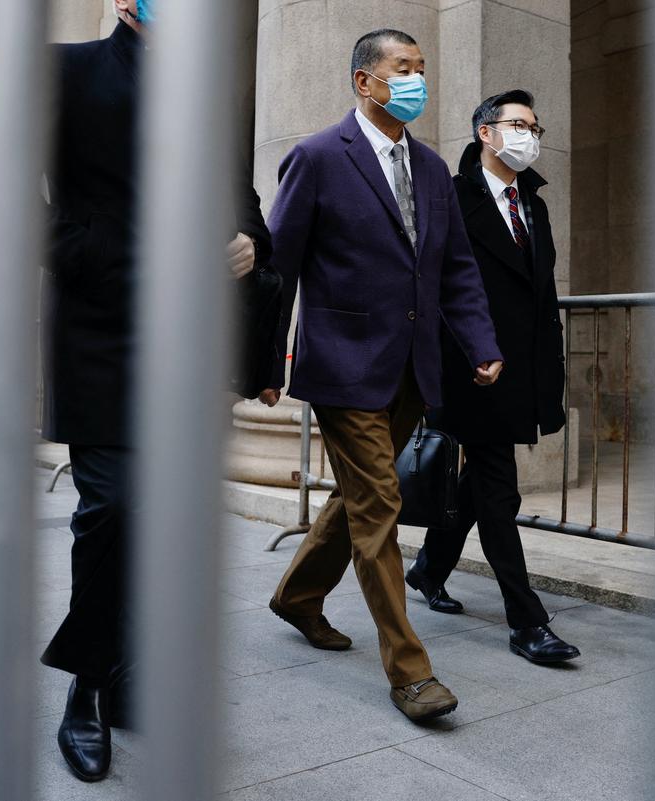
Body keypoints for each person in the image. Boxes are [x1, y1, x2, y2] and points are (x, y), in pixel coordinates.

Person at [39, 0, 274, 783]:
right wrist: (90, 252)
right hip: (101, 332)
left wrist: (249, 241)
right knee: (110, 504)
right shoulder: (67, 70)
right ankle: (86, 684)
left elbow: (239, 202)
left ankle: (125, 670)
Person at [260, 28, 504, 723]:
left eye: (421, 68)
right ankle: (411, 671)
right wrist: (265, 362)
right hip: (342, 364)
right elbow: (279, 267)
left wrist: (479, 342)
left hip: (411, 367)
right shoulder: (317, 156)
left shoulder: (430, 167)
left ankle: (297, 596)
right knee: (378, 507)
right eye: (403, 68)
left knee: (361, 495)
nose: (416, 79)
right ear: (364, 80)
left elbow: (456, 267)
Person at [406, 90, 581, 665]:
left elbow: (542, 295)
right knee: (499, 489)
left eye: (535, 127)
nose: (530, 135)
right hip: (471, 367)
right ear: (486, 132)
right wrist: (464, 351)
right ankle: (527, 621)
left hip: (522, 369)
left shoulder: (534, 203)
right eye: (519, 124)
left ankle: (428, 569)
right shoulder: (452, 197)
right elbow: (435, 284)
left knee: (477, 486)